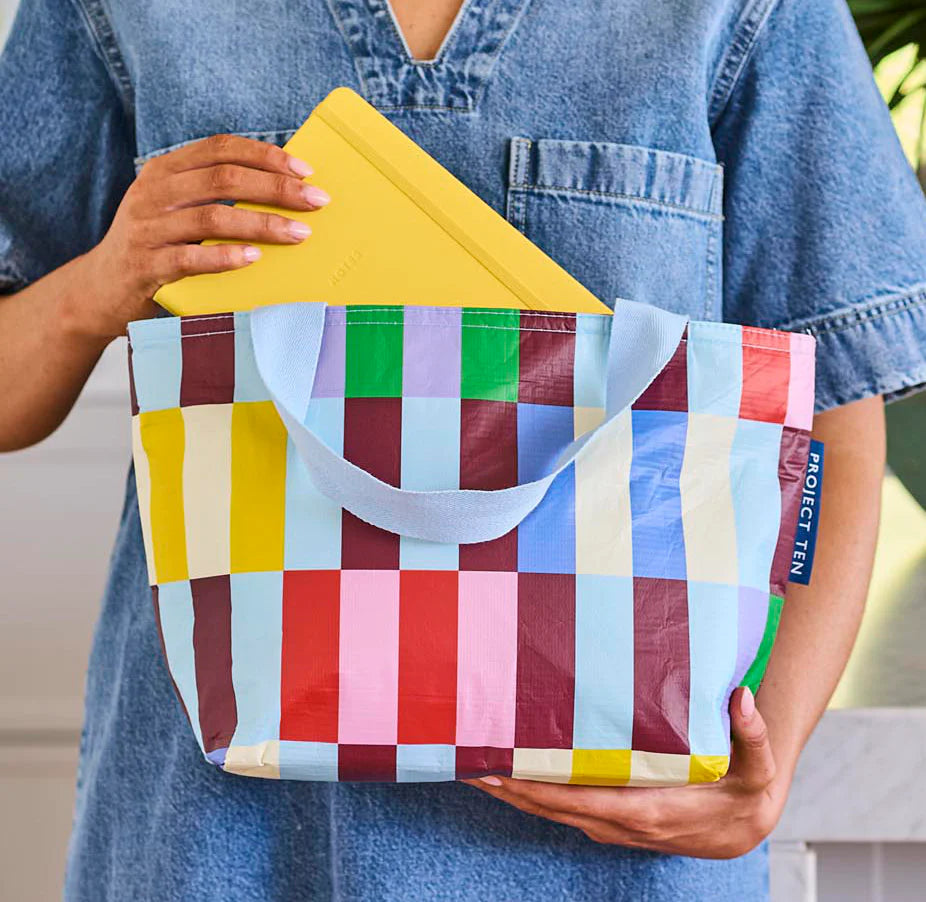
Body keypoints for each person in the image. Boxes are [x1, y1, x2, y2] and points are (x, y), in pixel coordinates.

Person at [1, 0, 924, 898]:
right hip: (216, 841)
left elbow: (834, 409)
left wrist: (764, 766)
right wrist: (98, 284)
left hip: (610, 854)